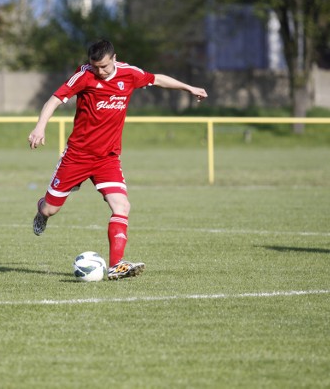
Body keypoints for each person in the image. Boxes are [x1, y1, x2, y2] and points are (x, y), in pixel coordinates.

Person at [27, 39, 207, 280]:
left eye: (103, 66)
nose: (99, 71)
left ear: (114, 58)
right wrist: (40, 127)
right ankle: (41, 212)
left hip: (107, 158)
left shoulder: (129, 74)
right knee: (50, 209)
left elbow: (157, 79)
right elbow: (54, 100)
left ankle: (116, 264)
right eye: (94, 66)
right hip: (77, 157)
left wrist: (189, 88)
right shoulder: (84, 76)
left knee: (122, 206)